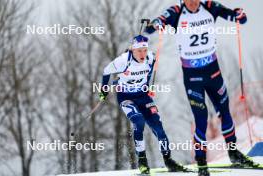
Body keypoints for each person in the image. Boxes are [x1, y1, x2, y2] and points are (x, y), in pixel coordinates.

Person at [145, 0, 258, 176]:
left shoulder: (210, 7)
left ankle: (234, 153)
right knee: (201, 119)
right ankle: (202, 163)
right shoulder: (176, 12)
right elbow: (153, 26)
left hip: (213, 72)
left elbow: (236, 17)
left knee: (225, 112)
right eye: (188, 0)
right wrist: (154, 24)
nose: (192, 3)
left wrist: (239, 15)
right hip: (192, 76)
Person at [99, 35, 188, 174]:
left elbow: (149, 72)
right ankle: (142, 161)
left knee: (158, 128)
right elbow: (106, 71)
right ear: (133, 50)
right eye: (139, 50)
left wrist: (146, 86)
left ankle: (169, 160)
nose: (142, 54)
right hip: (126, 97)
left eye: (144, 50)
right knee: (139, 121)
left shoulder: (151, 57)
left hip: (143, 97)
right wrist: (103, 91)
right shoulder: (123, 61)